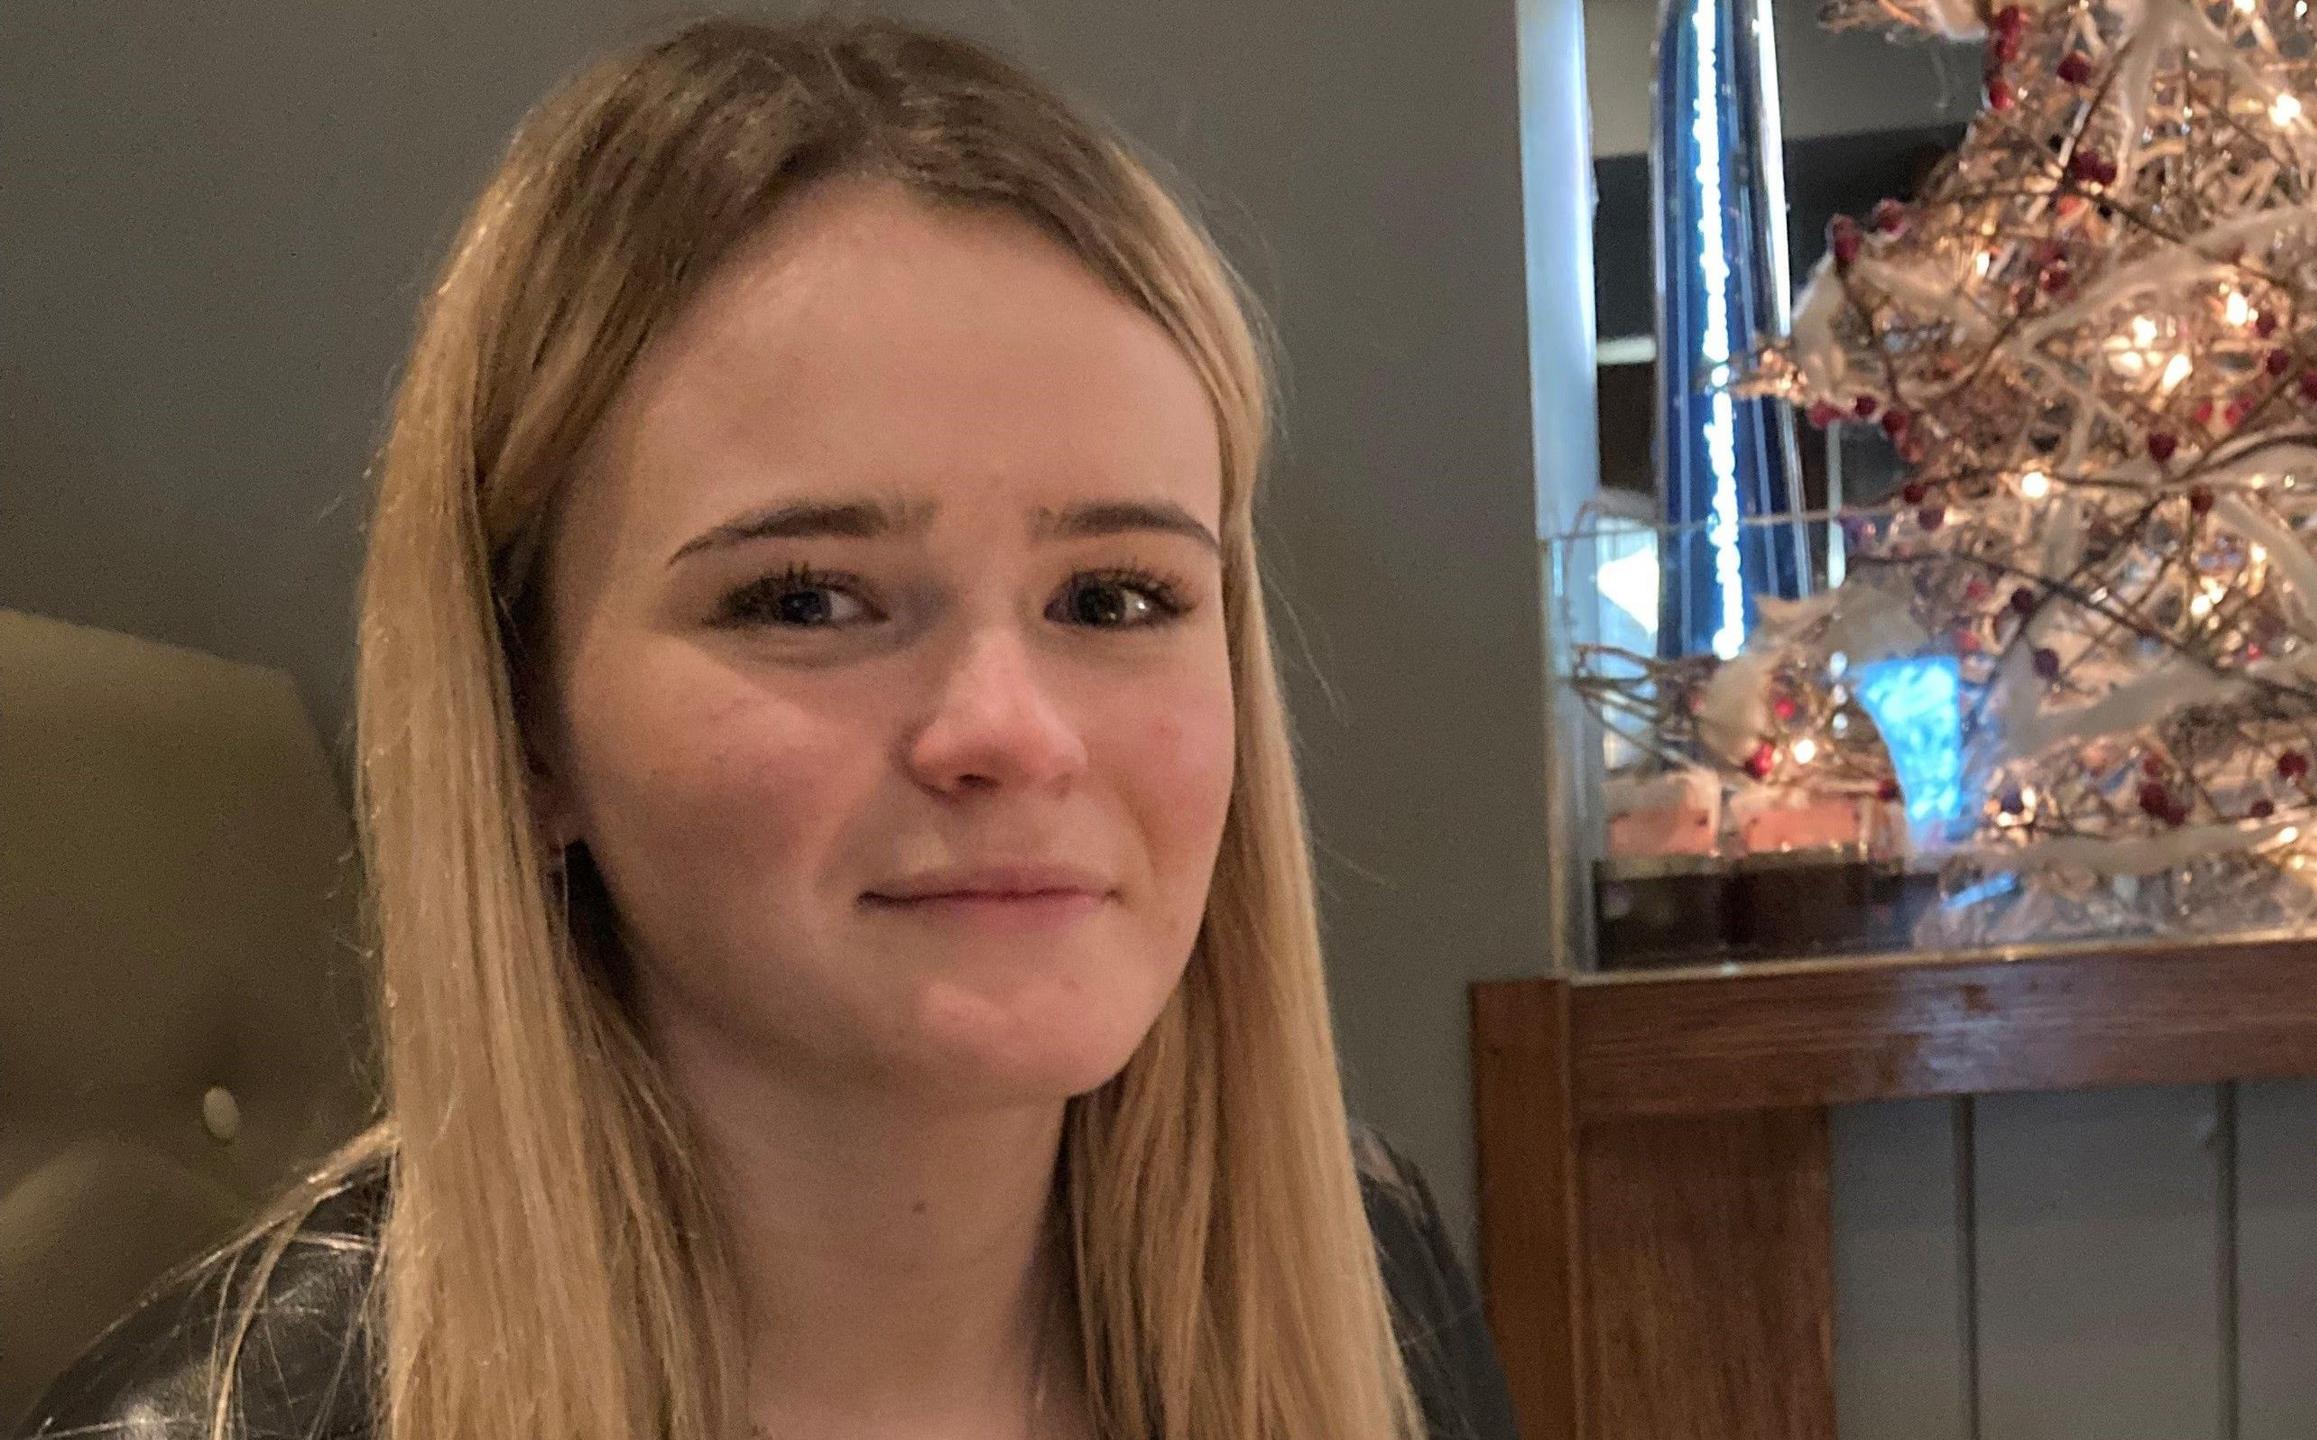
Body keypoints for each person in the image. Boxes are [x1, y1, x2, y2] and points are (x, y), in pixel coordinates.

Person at [18, 15, 1517, 1440]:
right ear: (525, 720)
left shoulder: (1375, 1290)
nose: (1012, 731)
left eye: (1118, 598)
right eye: (807, 600)